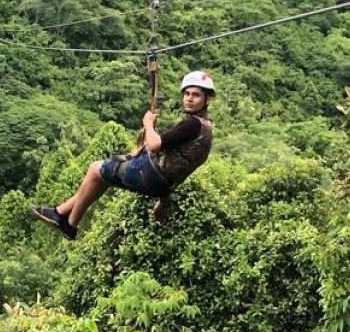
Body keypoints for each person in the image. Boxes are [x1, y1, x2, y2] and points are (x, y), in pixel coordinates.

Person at [29, 70, 216, 240]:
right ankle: (58, 212)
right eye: (187, 94)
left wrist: (148, 123)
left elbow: (156, 144)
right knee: (104, 174)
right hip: (161, 183)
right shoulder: (206, 130)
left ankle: (69, 225)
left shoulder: (192, 125)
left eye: (196, 95)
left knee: (95, 169)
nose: (189, 99)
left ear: (207, 100)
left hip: (149, 173)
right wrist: (163, 199)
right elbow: (178, 166)